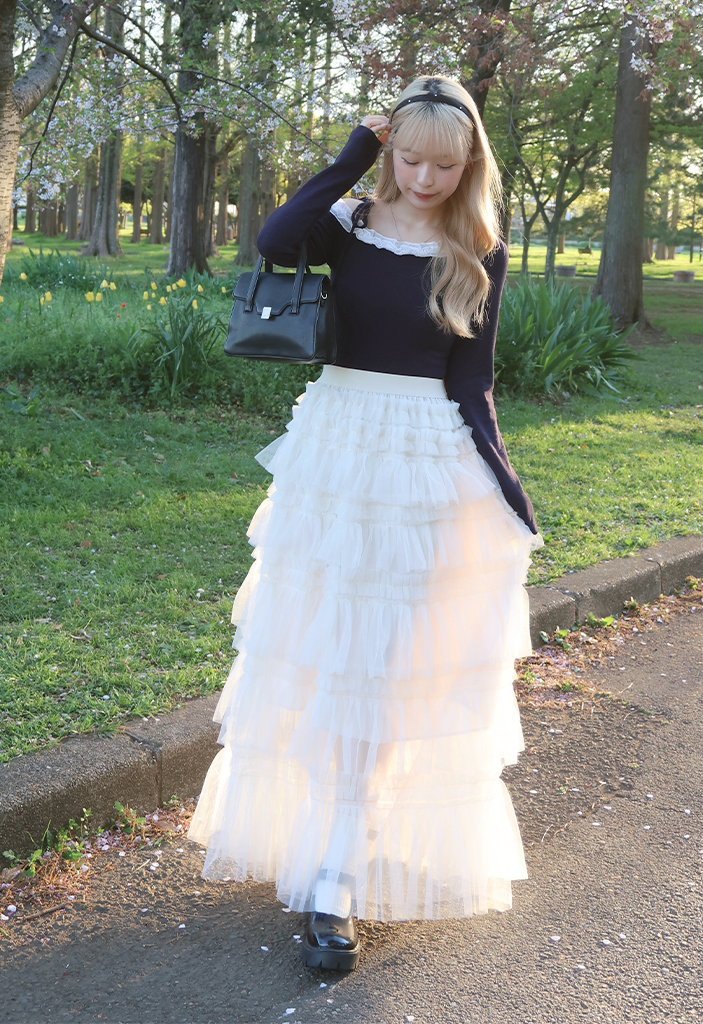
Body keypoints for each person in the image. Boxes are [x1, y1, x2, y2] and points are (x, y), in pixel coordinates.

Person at [188, 75, 542, 972]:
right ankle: (332, 858)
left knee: (388, 669)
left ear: (470, 165)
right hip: (337, 453)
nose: (424, 179)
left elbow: (473, 379)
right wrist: (353, 151)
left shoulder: (478, 249)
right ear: (393, 152)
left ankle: (340, 864)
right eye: (410, 159)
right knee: (325, 658)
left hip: (424, 460)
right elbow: (275, 240)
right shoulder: (346, 224)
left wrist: (500, 479)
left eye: (444, 165)